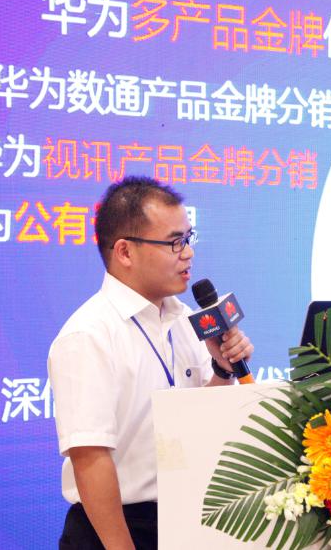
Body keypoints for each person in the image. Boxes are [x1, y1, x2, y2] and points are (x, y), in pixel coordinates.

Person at [48, 177, 254, 550]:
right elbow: (90, 457)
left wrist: (223, 369)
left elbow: (199, 426)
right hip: (115, 531)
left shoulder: (185, 319)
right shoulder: (89, 334)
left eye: (188, 239)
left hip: (185, 522)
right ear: (125, 252)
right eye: (174, 242)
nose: (188, 253)